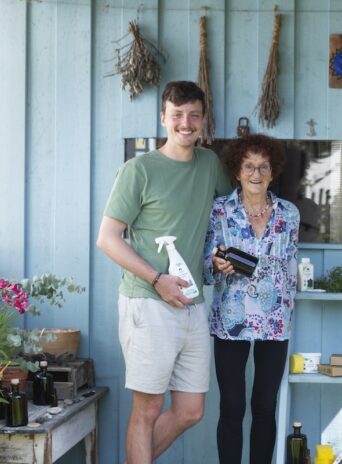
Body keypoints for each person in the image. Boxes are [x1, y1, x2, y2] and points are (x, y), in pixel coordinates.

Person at [97, 81, 232, 464]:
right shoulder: (139, 170)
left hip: (192, 303)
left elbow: (229, 213)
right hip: (148, 301)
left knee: (191, 410)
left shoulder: (209, 165)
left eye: (193, 115)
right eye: (177, 115)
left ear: (203, 120)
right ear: (163, 118)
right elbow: (108, 239)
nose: (185, 123)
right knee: (148, 408)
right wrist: (157, 279)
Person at [204, 134, 299, 464]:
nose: (256, 174)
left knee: (264, 405)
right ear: (236, 171)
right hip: (231, 319)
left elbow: (290, 262)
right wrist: (216, 262)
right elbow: (206, 260)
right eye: (249, 166)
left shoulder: (289, 214)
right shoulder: (220, 210)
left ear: (273, 172)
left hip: (275, 320)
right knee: (231, 404)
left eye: (263, 167)